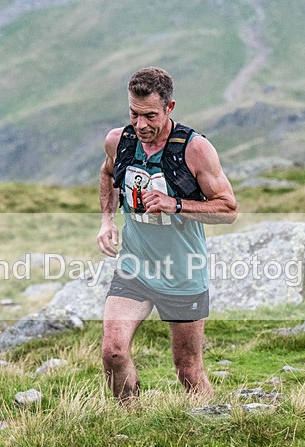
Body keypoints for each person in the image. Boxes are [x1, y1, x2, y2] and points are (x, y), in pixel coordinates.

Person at [96, 67, 237, 403]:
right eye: (134, 114)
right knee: (113, 352)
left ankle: (212, 424)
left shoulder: (195, 149)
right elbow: (106, 173)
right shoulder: (119, 141)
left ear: (169, 108)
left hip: (182, 274)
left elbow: (229, 209)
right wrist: (106, 220)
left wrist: (174, 204)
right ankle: (131, 423)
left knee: (187, 369)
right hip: (135, 269)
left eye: (150, 115)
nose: (141, 125)